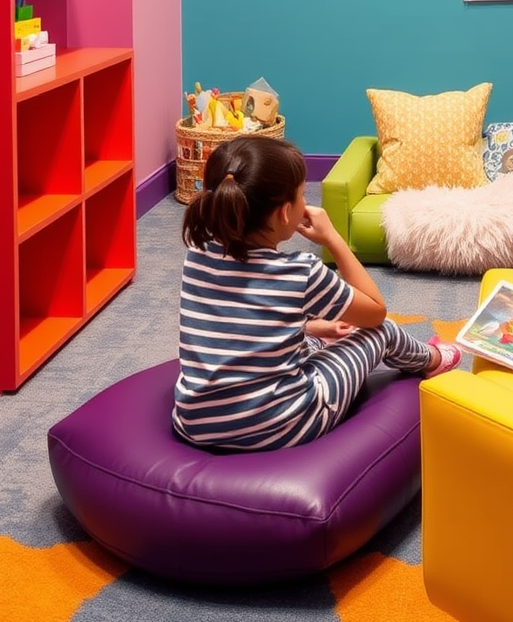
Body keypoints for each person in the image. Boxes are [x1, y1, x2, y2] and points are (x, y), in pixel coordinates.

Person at [173, 136, 461, 451]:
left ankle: (317, 337)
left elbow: (243, 315)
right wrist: (334, 239)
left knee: (314, 339)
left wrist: (314, 328)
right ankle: (432, 359)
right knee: (384, 330)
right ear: (285, 213)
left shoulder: (198, 250)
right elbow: (375, 311)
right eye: (301, 195)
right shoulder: (300, 271)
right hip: (285, 424)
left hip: (194, 424)